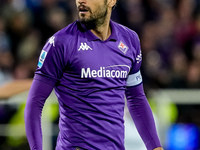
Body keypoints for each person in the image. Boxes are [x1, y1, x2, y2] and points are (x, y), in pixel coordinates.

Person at [25, 0, 164, 150]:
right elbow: (35, 102)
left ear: (111, 1)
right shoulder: (60, 43)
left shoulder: (130, 40)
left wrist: (155, 146)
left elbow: (136, 99)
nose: (81, 1)